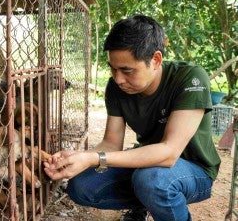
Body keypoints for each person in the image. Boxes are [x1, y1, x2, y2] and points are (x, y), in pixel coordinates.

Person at [43, 15, 221, 221]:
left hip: (193, 170)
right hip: (146, 167)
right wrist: (77, 157)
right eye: (113, 68)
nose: (118, 79)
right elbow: (111, 143)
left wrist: (93, 158)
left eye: (127, 70)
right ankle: (144, 204)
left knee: (152, 180)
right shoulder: (116, 87)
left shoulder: (190, 78)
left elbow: (169, 152)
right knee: (81, 186)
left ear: (155, 60)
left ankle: (156, 200)